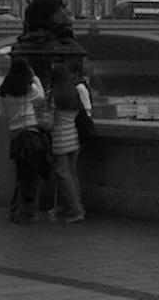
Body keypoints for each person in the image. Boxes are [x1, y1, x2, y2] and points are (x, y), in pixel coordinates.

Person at [0, 55, 49, 223]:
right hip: (31, 132)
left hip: (15, 135)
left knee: (20, 174)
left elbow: (2, 114)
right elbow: (42, 99)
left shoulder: (4, 91)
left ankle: (15, 209)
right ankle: (27, 210)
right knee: (32, 174)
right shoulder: (30, 88)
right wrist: (35, 78)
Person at [47, 59, 91, 224]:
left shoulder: (54, 95)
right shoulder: (73, 93)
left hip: (59, 139)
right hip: (73, 138)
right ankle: (67, 207)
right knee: (72, 176)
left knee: (63, 176)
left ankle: (76, 210)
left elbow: (50, 122)